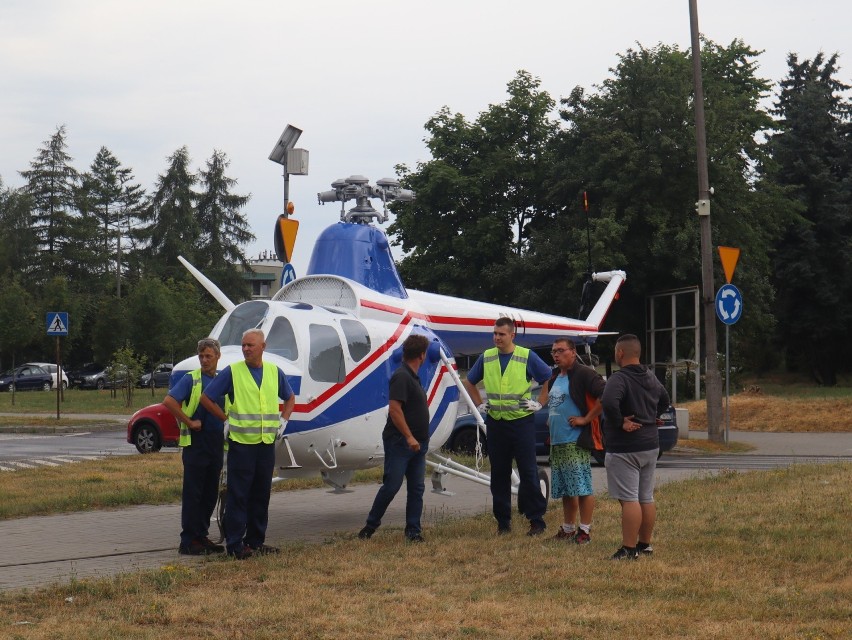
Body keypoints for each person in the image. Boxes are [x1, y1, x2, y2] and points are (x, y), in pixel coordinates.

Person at [200, 328, 295, 560]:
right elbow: (206, 398)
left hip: (265, 444)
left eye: (250, 345)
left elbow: (289, 397)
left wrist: (284, 420)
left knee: (261, 494)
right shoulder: (233, 372)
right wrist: (225, 419)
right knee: (239, 495)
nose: (245, 349)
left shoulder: (274, 372)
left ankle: (255, 541)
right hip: (242, 444)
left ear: (263, 347)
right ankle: (235, 544)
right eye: (243, 345)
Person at [463, 317, 553, 536]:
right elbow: (469, 381)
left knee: (528, 472)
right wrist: (479, 403)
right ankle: (503, 523)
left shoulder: (526, 356)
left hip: (521, 422)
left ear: (512, 335)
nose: (496, 338)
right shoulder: (487, 357)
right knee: (499, 474)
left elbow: (548, 377)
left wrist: (540, 402)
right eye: (494, 333)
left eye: (501, 334)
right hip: (496, 422)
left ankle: (536, 520)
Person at [600, 334, 670, 560]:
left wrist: (621, 422)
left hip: (625, 448)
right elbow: (665, 399)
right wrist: (653, 416)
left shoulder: (618, 379)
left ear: (620, 353)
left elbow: (609, 403)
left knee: (629, 499)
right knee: (646, 497)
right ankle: (645, 544)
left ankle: (629, 549)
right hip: (650, 444)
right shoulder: (650, 376)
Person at [358, 334, 431, 543]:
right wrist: (409, 436)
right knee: (392, 485)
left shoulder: (413, 377)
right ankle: (370, 526)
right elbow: (395, 409)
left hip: (418, 444)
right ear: (422, 355)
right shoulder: (402, 376)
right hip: (401, 442)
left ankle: (413, 531)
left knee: (417, 488)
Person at [537, 338, 604, 545]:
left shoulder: (584, 374)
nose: (556, 355)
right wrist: (550, 417)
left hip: (575, 441)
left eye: (561, 351)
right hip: (557, 442)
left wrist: (586, 418)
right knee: (566, 488)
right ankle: (568, 528)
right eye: (553, 351)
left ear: (573, 352)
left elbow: (605, 394)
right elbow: (552, 401)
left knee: (581, 487)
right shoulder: (556, 376)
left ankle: (584, 531)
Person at [164, 338, 227, 555]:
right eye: (201, 356)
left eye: (209, 356)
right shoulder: (192, 379)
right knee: (194, 493)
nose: (204, 360)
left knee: (210, 492)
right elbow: (169, 401)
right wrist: (188, 421)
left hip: (216, 443)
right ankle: (188, 540)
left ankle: (202, 535)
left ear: (218, 356)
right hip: (196, 443)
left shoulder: (221, 380)